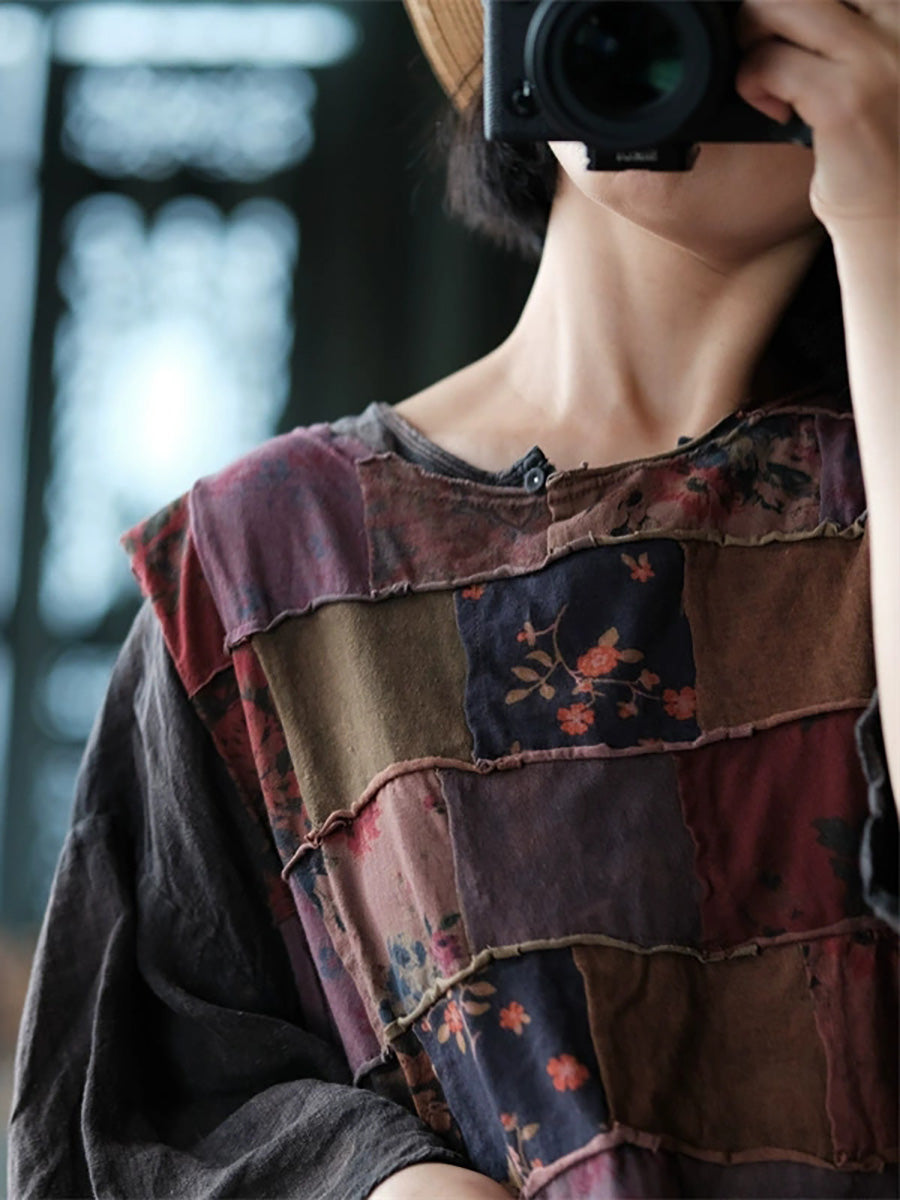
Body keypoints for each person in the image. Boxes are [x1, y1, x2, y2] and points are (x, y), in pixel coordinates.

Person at [8, 1, 899, 1197]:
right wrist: (372, 1182)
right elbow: (130, 1112)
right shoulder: (264, 567)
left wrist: (885, 224)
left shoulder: (870, 510)